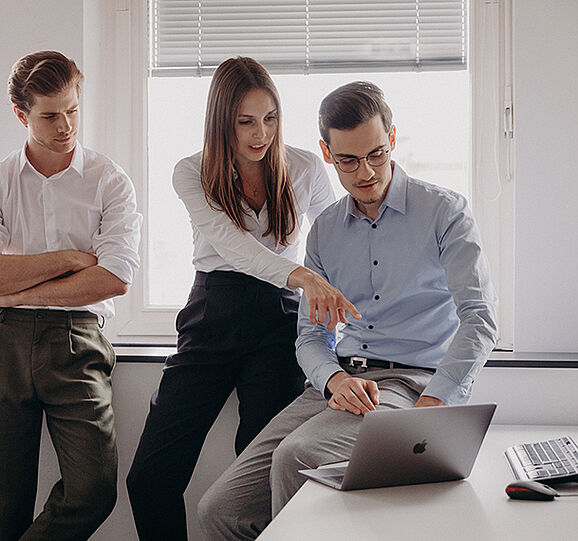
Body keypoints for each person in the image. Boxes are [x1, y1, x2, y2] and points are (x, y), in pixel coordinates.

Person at [197, 81, 498, 540]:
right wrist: (333, 379)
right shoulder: (325, 231)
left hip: (409, 385)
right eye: (349, 160)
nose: (367, 173)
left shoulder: (445, 212)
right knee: (219, 510)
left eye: (377, 154)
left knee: (297, 456)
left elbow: (479, 316)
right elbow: (311, 337)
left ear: (392, 140)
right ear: (326, 153)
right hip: (338, 384)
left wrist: (435, 404)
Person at [125, 57, 359, 541]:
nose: (261, 133)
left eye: (270, 118)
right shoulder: (190, 172)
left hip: (279, 324)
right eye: (246, 121)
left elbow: (341, 238)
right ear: (220, 121)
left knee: (260, 476)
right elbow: (233, 246)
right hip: (212, 313)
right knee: (149, 477)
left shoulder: (304, 166)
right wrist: (302, 276)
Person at [0, 50, 141, 541]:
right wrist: (70, 257)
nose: (66, 125)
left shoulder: (110, 180)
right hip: (4, 344)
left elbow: (116, 277)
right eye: (50, 115)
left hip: (78, 341)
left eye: (73, 110)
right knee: (4, 502)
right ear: (22, 115)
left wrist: (15, 290)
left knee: (94, 489)